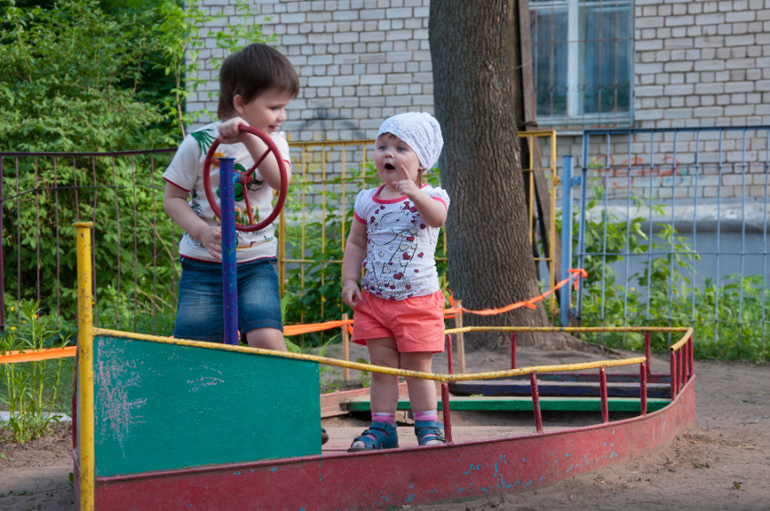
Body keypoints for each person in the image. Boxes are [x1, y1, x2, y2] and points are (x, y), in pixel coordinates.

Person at [162, 43, 297, 350]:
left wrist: (249, 137)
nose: (283, 115)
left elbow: (280, 180)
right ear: (240, 103)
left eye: (285, 107)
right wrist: (200, 230)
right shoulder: (198, 143)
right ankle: (204, 397)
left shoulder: (274, 142)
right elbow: (172, 199)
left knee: (268, 340)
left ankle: (273, 396)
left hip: (256, 260)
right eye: (274, 107)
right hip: (203, 263)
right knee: (197, 347)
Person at [342, 112, 449, 450]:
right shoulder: (366, 200)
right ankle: (382, 428)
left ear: (422, 163)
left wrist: (415, 194)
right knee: (382, 369)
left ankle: (428, 427)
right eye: (382, 146)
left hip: (417, 301)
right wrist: (349, 279)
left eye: (401, 148)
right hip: (374, 302)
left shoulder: (433, 195)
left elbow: (437, 218)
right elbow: (357, 242)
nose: (388, 154)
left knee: (418, 368)